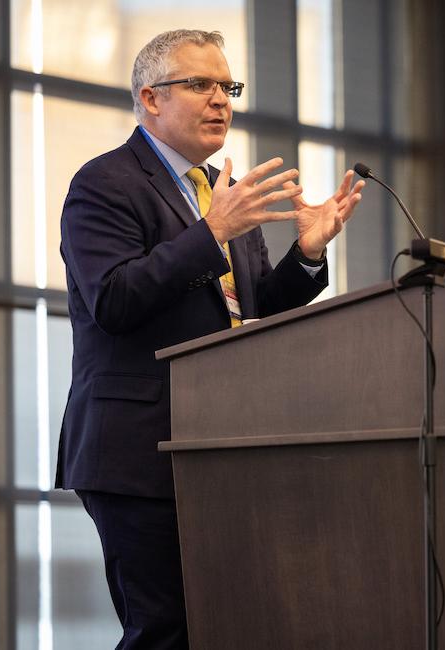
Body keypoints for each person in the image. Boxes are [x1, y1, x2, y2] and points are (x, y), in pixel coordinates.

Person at [55, 29, 364, 649]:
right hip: (139, 448)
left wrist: (305, 256)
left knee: (222, 626)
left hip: (220, 443)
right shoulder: (105, 184)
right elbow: (113, 299)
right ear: (150, 98)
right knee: (165, 630)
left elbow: (246, 314)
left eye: (228, 86)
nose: (221, 99)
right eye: (200, 84)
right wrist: (211, 231)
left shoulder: (221, 194)